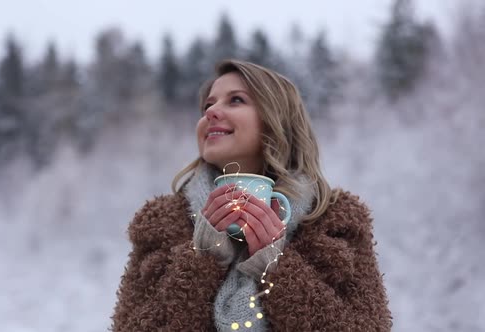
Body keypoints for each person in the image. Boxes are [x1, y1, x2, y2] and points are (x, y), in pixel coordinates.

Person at [111, 59, 392, 331]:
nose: (211, 112)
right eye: (208, 105)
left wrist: (275, 265)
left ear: (275, 120)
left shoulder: (335, 220)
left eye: (235, 100)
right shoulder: (162, 223)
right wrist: (203, 258)